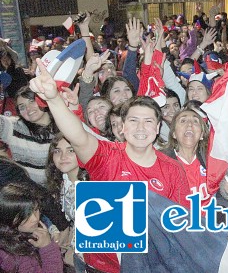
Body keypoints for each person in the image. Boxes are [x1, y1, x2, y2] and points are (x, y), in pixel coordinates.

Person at [29, 59, 191, 273]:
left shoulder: (173, 169)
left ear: (158, 126)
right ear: (122, 127)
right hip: (99, 267)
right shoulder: (106, 156)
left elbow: (181, 225)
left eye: (148, 121)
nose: (141, 128)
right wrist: (53, 99)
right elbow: (77, 136)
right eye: (133, 121)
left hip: (148, 266)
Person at [45, 133, 89, 272]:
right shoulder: (63, 183)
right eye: (57, 151)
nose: (63, 157)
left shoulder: (92, 186)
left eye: (71, 151)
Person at [0, 182, 63, 273]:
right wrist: (48, 248)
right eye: (25, 215)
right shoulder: (12, 258)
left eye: (36, 210)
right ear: (8, 216)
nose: (35, 219)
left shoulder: (21, 229)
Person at [161, 108, 211, 205]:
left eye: (195, 121)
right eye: (183, 121)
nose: (189, 124)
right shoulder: (161, 162)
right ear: (174, 134)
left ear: (201, 134)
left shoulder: (211, 161)